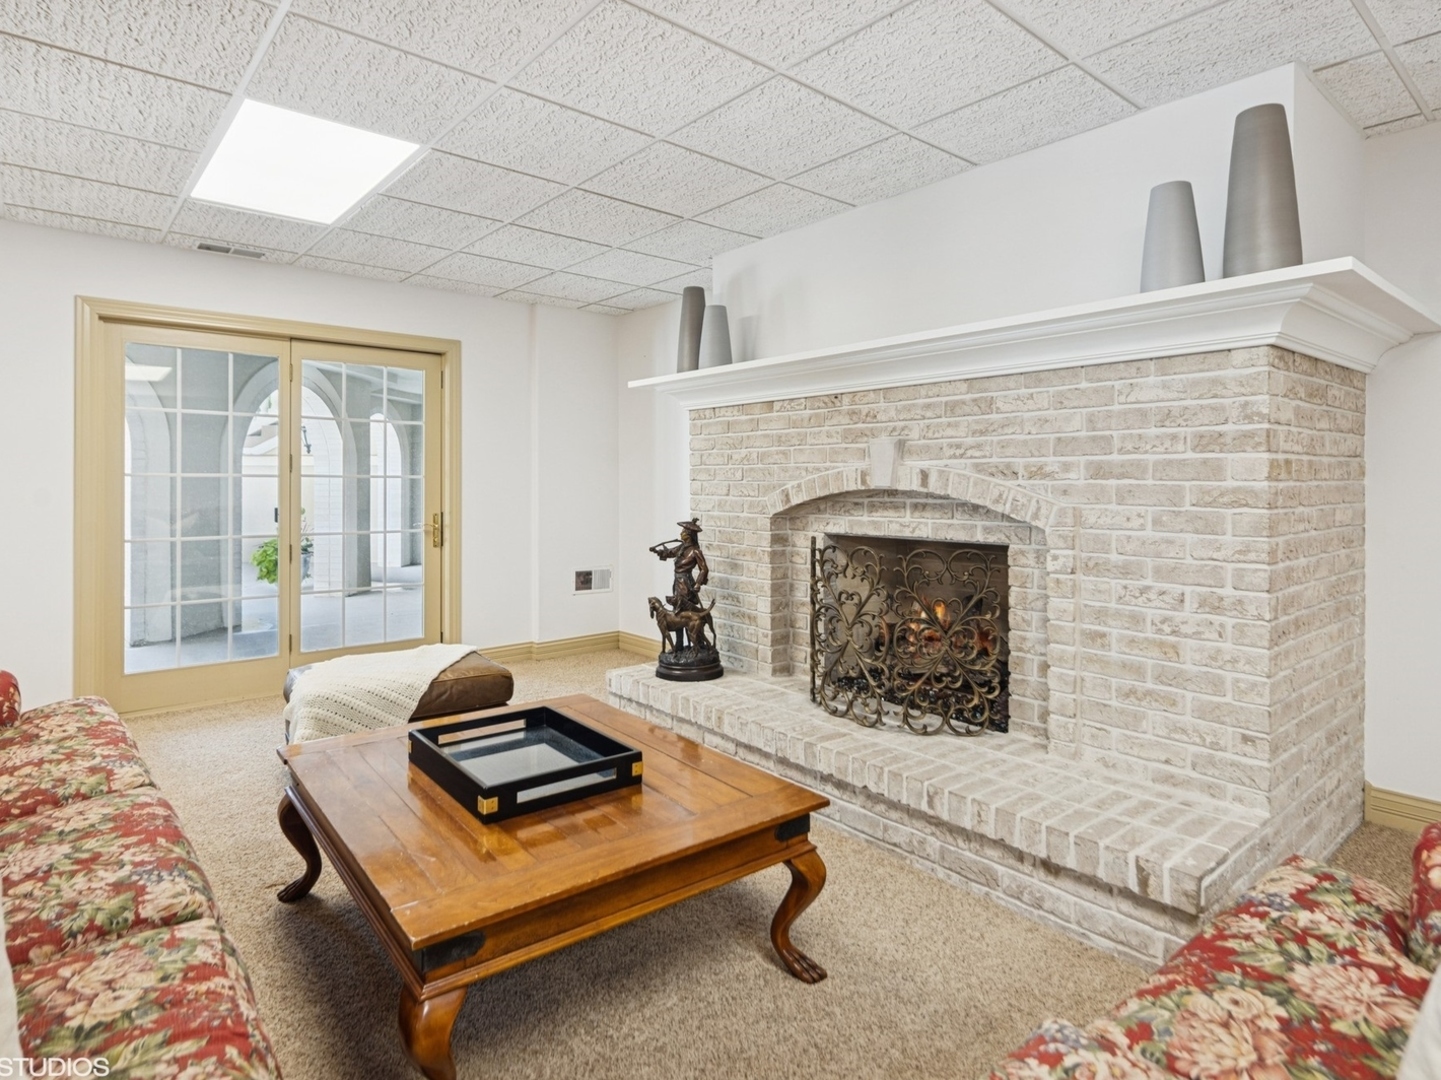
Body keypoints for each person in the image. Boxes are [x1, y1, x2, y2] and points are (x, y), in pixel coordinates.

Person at [649, 519, 709, 648]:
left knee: (686, 613)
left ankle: (697, 644)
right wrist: (658, 551)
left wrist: (698, 583)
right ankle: (679, 644)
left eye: (683, 532)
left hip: (686, 584)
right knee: (676, 612)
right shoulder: (682, 547)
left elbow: (704, 569)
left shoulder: (695, 551)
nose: (681, 533)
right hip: (677, 582)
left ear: (689, 534)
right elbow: (670, 552)